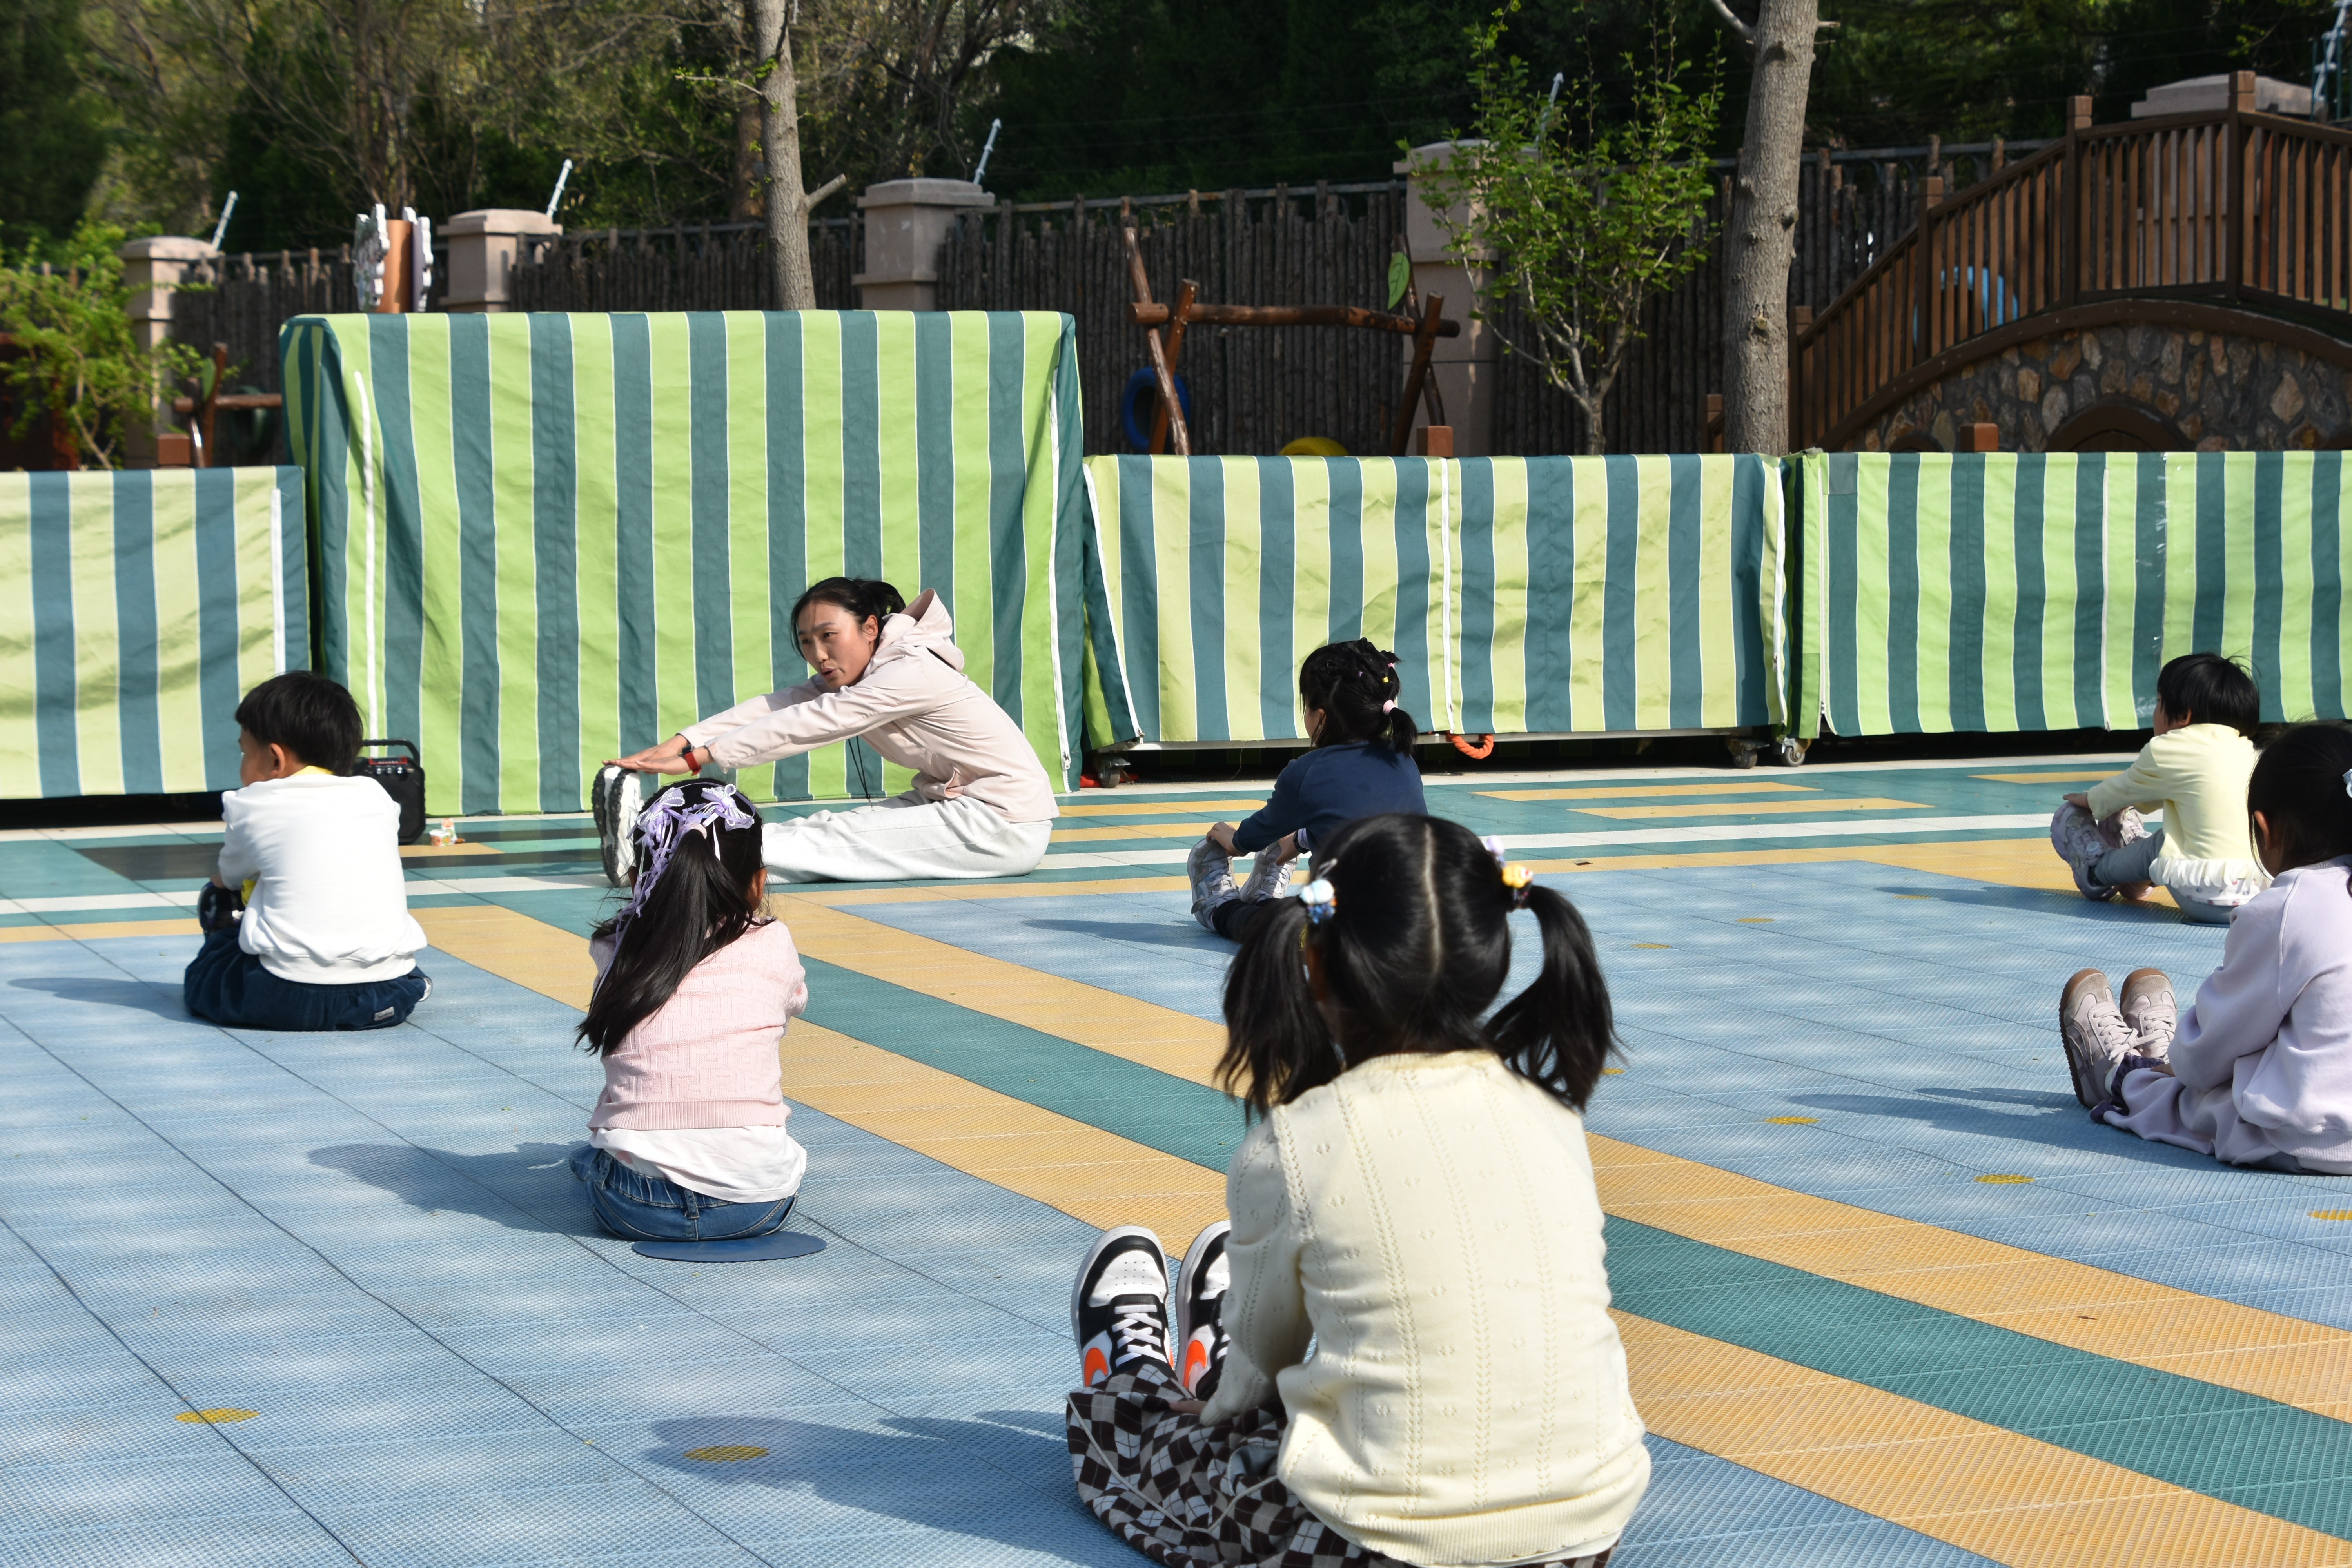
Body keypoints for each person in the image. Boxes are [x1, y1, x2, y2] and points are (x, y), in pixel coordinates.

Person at [1067, 814, 1649, 1568]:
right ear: (1495, 954)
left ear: (1312, 963)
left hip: (1376, 1549)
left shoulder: (1297, 1141)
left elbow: (1264, 1372)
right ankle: (1198, 1353)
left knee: (1162, 1433)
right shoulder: (1553, 1115)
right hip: (1583, 1533)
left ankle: (1133, 1371)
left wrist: (1223, 1399)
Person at [595, 578, 1058, 885]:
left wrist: (702, 757)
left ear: (870, 628)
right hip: (959, 803)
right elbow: (782, 705)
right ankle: (658, 859)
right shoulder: (870, 673)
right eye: (806, 642)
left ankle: (653, 849)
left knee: (834, 844)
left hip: (1003, 822)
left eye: (829, 636)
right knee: (826, 832)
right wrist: (684, 741)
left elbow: (817, 722)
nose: (818, 654)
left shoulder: (910, 671)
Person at [2057, 723, 2352, 1174]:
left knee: (2184, 1098)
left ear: (2264, 828)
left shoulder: (2291, 908)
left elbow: (2209, 1055)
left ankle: (2120, 1073)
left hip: (2310, 1138)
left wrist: (2179, 1064)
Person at [568, 779, 813, 1241]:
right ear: (759, 884)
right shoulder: (772, 939)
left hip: (633, 1208)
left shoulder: (617, 944)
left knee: (591, 1158)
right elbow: (794, 1001)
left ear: (639, 881)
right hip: (758, 1204)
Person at [183, 671, 430, 1031]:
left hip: (285, 996)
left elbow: (230, 880)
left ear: (274, 760)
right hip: (386, 992)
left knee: (211, 958)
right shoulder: (376, 796)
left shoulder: (253, 804)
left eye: (244, 750)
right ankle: (416, 988)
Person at [1187, 640, 1426, 940]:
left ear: (1321, 716)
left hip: (1346, 936)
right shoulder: (1402, 760)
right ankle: (1264, 898)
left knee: (1273, 929)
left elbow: (1261, 832)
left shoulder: (1308, 771)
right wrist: (1301, 840)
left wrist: (1235, 841)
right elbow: (1367, 825)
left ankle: (1220, 908)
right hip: (1415, 925)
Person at [2049, 652, 2269, 923]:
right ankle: (2139, 877)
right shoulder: (2253, 754)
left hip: (2204, 899)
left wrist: (2089, 801)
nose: (2155, 711)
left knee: (2165, 843)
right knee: (2187, 834)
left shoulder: (2170, 747)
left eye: (2159, 702)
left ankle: (2096, 870)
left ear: (2184, 716)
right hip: (2256, 896)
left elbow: (2123, 792)